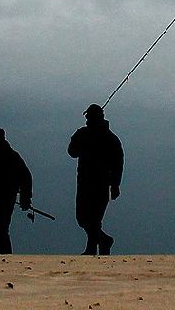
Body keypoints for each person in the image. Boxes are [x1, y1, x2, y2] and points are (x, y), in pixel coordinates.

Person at [69, 104, 123, 255]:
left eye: (89, 116)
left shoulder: (110, 138)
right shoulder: (84, 134)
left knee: (94, 218)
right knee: (82, 218)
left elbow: (117, 163)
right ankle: (104, 240)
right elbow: (72, 152)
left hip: (101, 183)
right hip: (84, 182)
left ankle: (92, 248)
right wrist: (76, 137)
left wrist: (115, 185)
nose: (87, 119)